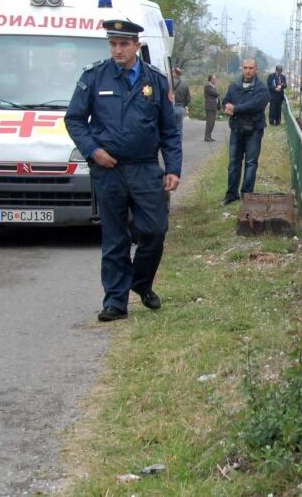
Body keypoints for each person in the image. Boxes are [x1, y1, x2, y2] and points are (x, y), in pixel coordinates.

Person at [65, 19, 182, 322]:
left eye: (124, 44)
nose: (117, 50)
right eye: (113, 44)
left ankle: (140, 283)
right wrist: (93, 151)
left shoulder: (154, 80)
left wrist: (173, 167)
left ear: (136, 46)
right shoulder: (94, 77)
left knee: (155, 231)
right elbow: (74, 119)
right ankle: (115, 302)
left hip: (145, 169)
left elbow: (169, 129)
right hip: (110, 170)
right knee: (115, 237)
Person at [221, 58, 268, 205]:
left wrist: (235, 109)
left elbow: (255, 105)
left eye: (251, 68)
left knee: (251, 162)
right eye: (245, 68)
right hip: (236, 129)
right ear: (242, 68)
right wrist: (227, 106)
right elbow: (226, 101)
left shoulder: (261, 88)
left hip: (254, 130)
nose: (248, 71)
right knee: (234, 162)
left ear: (256, 70)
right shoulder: (234, 86)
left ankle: (247, 195)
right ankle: (231, 194)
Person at [171, 66, 191, 139]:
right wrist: (183, 105)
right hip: (180, 108)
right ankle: (178, 143)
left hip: (171, 107)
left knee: (170, 127)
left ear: (174, 73)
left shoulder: (168, 82)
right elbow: (188, 98)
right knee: (179, 128)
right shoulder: (185, 84)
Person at [204, 73, 220, 142]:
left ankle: (209, 136)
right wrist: (216, 90)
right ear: (210, 79)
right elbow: (216, 94)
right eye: (213, 79)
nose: (215, 80)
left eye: (215, 79)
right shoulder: (208, 86)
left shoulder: (213, 86)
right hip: (210, 106)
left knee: (212, 122)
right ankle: (207, 137)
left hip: (214, 106)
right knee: (209, 122)